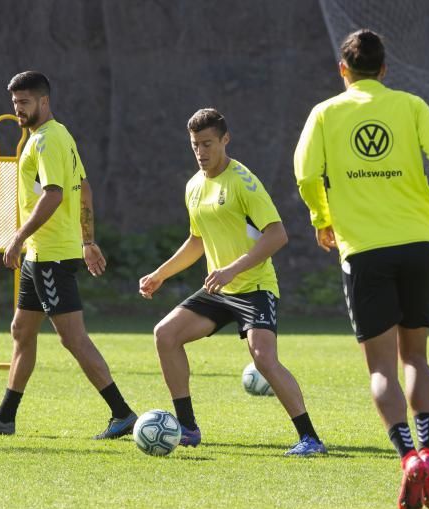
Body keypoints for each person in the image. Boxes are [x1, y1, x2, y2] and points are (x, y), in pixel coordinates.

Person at [294, 29, 429, 509]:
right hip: (417, 243)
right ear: (384, 70)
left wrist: (322, 218)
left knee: (381, 367)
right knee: (416, 356)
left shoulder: (325, 113)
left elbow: (304, 173)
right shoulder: (410, 105)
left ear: (344, 70)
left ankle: (407, 458)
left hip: (364, 251)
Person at [0, 71, 139, 439]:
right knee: (21, 330)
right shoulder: (58, 136)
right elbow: (84, 189)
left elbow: (55, 194)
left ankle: (122, 414)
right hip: (41, 254)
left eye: (24, 103)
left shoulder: (46, 141)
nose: (18, 110)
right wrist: (88, 242)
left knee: (73, 338)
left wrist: (17, 237)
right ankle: (5, 417)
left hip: (50, 256)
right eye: (14, 103)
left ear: (44, 101)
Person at [139, 108, 326, 457]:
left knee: (264, 359)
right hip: (219, 290)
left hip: (254, 287)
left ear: (225, 140)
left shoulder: (244, 183)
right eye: (195, 145)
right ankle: (188, 428)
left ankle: (310, 439)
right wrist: (161, 274)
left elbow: (277, 235)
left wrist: (232, 270)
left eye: (208, 144)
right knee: (165, 334)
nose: (201, 152)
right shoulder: (194, 186)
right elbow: (197, 240)